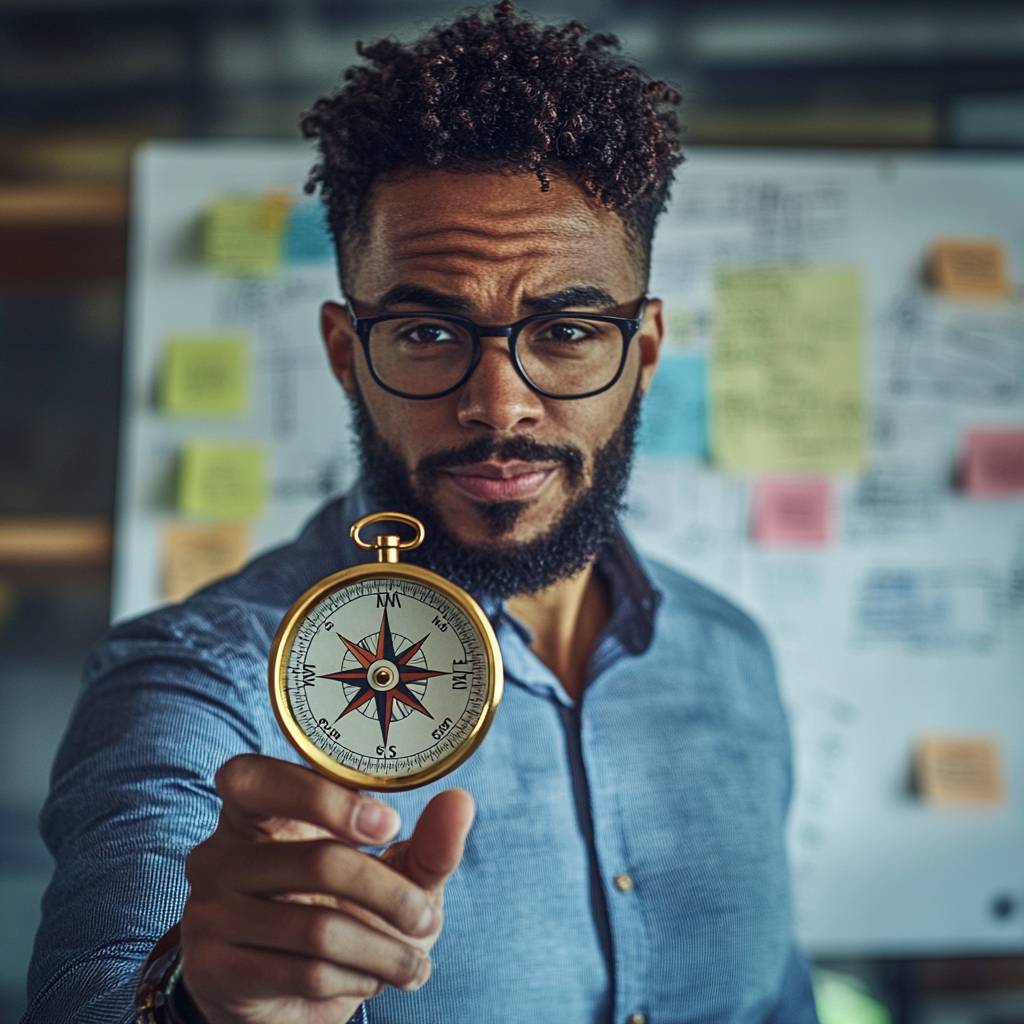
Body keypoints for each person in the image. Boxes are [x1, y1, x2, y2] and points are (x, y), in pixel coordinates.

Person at [23, 2, 819, 1022]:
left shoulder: (731, 653)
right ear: (347, 354)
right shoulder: (201, 687)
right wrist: (198, 1007)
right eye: (427, 333)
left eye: (568, 330)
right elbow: (95, 987)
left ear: (646, 350)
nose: (498, 403)